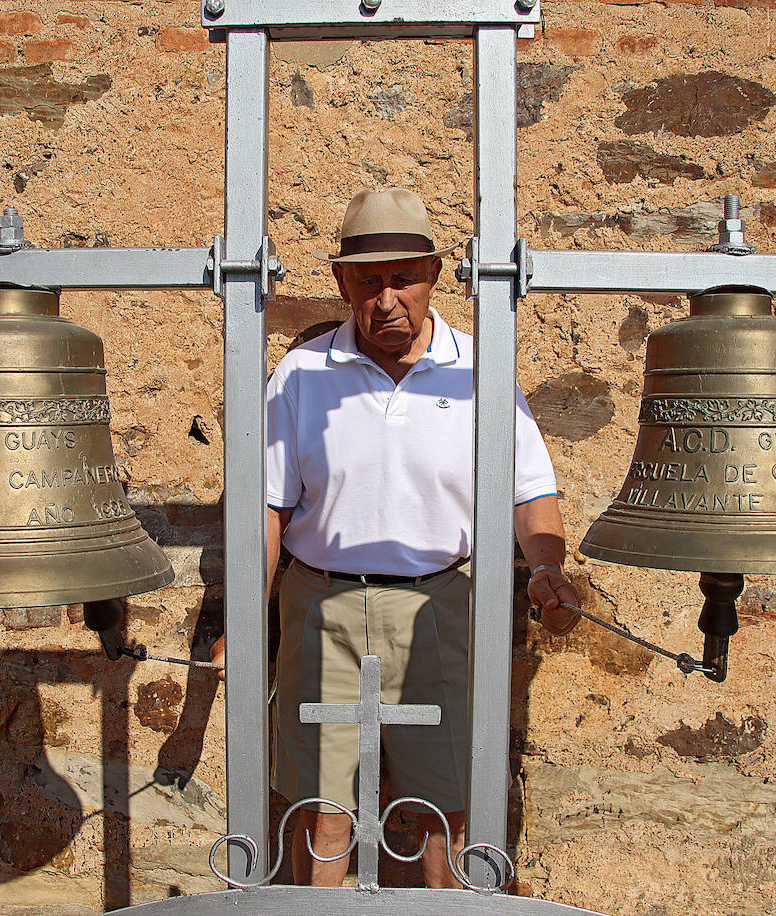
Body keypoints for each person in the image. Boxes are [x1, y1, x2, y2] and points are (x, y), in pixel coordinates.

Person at [210, 187, 580, 887]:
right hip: (323, 609)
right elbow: (267, 508)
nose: (387, 299)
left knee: (446, 806)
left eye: (403, 278)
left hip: (438, 608)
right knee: (322, 810)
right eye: (369, 280)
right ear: (343, 282)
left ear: (434, 275)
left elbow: (529, 489)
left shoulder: (482, 370)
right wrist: (243, 622)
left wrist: (546, 567)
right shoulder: (301, 375)